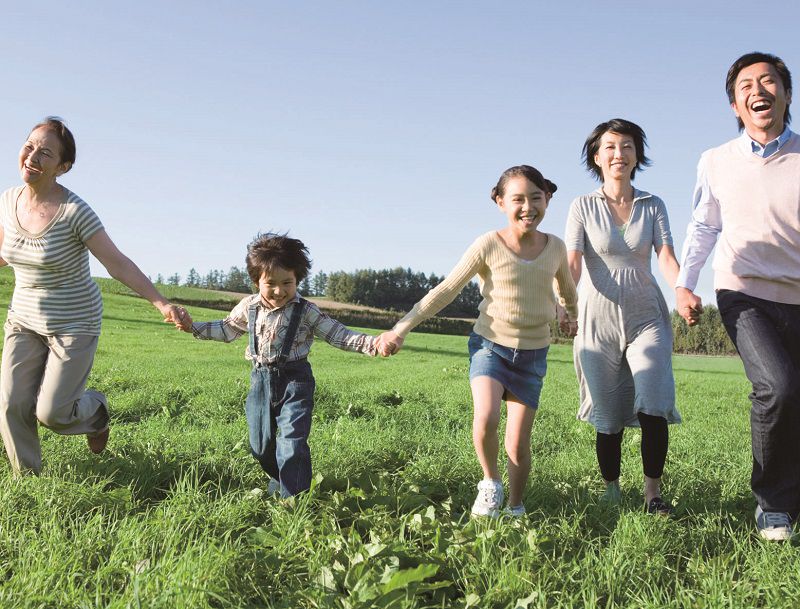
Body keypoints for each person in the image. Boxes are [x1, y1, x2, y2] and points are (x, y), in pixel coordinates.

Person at [377, 165, 578, 518]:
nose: (528, 207)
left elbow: (566, 290)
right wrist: (401, 327)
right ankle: (490, 483)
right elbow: (446, 291)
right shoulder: (488, 244)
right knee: (485, 417)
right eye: (518, 199)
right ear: (500, 202)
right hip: (491, 346)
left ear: (547, 199)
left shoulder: (556, 248)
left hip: (533, 354)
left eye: (536, 197)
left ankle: (516, 505)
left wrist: (568, 313)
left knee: (518, 443)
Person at [0, 117, 185, 475]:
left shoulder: (74, 212)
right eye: (30, 146)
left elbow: (117, 263)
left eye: (45, 153)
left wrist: (161, 302)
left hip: (74, 321)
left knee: (51, 413)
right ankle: (29, 478)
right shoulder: (8, 200)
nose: (32, 156)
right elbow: (7, 251)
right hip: (24, 318)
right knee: (11, 403)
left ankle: (96, 411)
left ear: (62, 167)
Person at [675, 52, 800, 541]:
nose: (758, 90)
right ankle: (772, 504)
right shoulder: (716, 160)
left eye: (769, 81)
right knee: (778, 387)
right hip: (743, 291)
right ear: (735, 105)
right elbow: (704, 225)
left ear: (786, 95)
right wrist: (686, 282)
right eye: (746, 85)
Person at [175, 233, 381, 497]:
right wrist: (193, 327)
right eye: (270, 283)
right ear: (256, 281)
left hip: (295, 380)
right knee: (260, 445)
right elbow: (226, 330)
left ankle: (295, 499)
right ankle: (280, 478)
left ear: (297, 279)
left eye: (287, 282)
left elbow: (339, 334)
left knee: (292, 441)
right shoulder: (249, 307)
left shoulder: (306, 310)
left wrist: (373, 344)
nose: (279, 291)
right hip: (260, 379)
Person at [565, 119, 681, 514]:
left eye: (627, 146)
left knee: (653, 398)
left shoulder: (654, 204)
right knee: (608, 413)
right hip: (596, 318)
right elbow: (573, 263)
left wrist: (682, 289)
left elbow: (665, 256)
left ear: (637, 155)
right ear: (596, 158)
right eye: (610, 147)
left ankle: (653, 495)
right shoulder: (582, 206)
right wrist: (564, 302)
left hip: (646, 314)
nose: (619, 153)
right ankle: (611, 487)